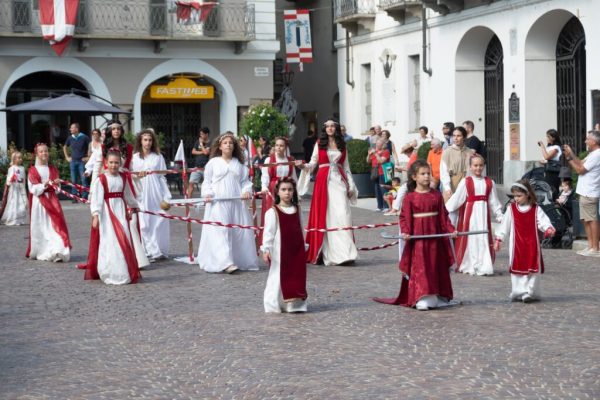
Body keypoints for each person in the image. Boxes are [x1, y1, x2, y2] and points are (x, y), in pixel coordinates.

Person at [374, 160, 457, 310]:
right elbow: (404, 218)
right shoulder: (410, 198)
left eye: (428, 174)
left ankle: (437, 295)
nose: (427, 177)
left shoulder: (436, 195)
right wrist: (406, 232)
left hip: (435, 238)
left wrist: (451, 230)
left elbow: (444, 216)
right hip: (418, 239)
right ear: (414, 177)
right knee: (421, 266)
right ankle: (422, 295)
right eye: (423, 174)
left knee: (435, 265)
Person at [297, 118, 358, 265]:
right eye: (328, 126)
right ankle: (332, 253)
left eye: (333, 126)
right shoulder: (319, 143)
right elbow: (313, 163)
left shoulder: (342, 145)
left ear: (336, 128)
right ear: (325, 129)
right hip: (323, 182)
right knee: (327, 215)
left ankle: (346, 252)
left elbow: (346, 166)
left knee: (343, 213)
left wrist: (351, 185)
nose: (330, 128)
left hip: (340, 180)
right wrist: (303, 167)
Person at [197, 133, 258, 273]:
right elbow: (207, 182)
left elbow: (245, 182)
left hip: (236, 203)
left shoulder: (240, 165)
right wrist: (207, 193)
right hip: (218, 202)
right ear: (220, 146)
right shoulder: (213, 163)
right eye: (225, 143)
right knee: (221, 230)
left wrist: (246, 191)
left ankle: (236, 259)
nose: (228, 145)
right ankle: (225, 262)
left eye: (231, 142)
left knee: (236, 231)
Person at [494, 181, 555, 302]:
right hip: (516, 244)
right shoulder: (511, 209)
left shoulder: (535, 209)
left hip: (532, 244)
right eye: (514, 196)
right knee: (518, 267)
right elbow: (504, 225)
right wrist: (499, 239)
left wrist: (548, 228)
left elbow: (543, 221)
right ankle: (519, 291)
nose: (516, 199)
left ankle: (530, 292)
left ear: (527, 194)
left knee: (532, 267)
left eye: (519, 196)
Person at [89, 148, 141, 285]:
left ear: (120, 163)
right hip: (107, 214)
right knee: (110, 240)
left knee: (124, 237)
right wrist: (95, 215)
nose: (114, 165)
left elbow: (128, 194)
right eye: (111, 162)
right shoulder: (101, 179)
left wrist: (135, 205)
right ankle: (110, 270)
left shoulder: (123, 178)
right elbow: (97, 199)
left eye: (116, 163)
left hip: (121, 211)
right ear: (106, 162)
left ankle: (124, 270)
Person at [445, 154, 503, 276]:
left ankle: (484, 265)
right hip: (470, 215)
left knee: (483, 237)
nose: (478, 168)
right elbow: (457, 198)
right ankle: (470, 263)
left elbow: (494, 201)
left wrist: (499, 215)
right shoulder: (466, 182)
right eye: (475, 165)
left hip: (483, 214)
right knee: (471, 237)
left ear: (484, 166)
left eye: (481, 165)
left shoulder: (489, 182)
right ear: (470, 167)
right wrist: (445, 210)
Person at [261, 177, 308, 313]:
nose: (287, 193)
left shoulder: (297, 210)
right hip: (280, 250)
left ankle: (295, 305)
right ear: (278, 192)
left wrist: (303, 245)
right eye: (283, 190)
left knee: (296, 275)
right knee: (278, 275)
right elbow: (268, 233)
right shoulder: (273, 212)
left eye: (290, 190)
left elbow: (301, 228)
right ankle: (273, 304)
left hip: (296, 248)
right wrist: (266, 249)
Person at [131, 129, 172, 261]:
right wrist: (137, 175)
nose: (147, 142)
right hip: (142, 192)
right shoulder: (135, 158)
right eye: (145, 140)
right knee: (144, 223)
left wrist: (166, 195)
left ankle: (158, 250)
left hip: (156, 193)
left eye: (150, 140)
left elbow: (162, 177)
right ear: (140, 141)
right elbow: (131, 175)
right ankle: (147, 250)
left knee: (159, 220)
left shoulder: (158, 157)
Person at [26, 143, 71, 262]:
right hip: (40, 203)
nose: (44, 153)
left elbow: (57, 190)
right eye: (41, 151)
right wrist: (44, 185)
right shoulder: (32, 170)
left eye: (46, 151)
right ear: (37, 154)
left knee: (55, 227)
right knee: (43, 229)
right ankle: (43, 250)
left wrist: (56, 184)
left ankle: (57, 251)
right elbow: (33, 189)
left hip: (52, 201)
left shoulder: (53, 169)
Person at [563, 130, 600, 257]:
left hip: (590, 191)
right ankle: (590, 246)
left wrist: (569, 158)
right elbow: (580, 163)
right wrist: (571, 154)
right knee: (586, 219)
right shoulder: (592, 154)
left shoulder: (597, 155)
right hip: (584, 191)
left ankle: (595, 248)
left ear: (594, 142)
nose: (585, 141)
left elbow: (579, 170)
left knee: (592, 219)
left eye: (587, 139)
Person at [260, 137, 296, 243]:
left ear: (285, 147)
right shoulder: (269, 159)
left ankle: (285, 239)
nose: (278, 148)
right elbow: (265, 176)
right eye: (276, 145)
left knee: (286, 214)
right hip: (273, 190)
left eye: (281, 145)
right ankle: (271, 241)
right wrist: (264, 186)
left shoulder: (290, 160)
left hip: (287, 190)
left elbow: (293, 177)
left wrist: (296, 192)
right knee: (273, 215)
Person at [440, 126, 475, 202]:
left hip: (466, 184)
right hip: (452, 184)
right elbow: (444, 172)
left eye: (458, 136)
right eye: (454, 136)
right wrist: (447, 188)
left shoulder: (470, 152)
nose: (455, 138)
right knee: (452, 211)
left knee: (465, 211)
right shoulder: (447, 152)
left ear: (464, 137)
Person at [63, 122, 90, 201]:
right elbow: (64, 147)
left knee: (83, 179)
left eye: (72, 128)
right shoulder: (70, 138)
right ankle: (74, 196)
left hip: (82, 161)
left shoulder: (84, 137)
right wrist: (67, 157)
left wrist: (88, 157)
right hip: (73, 161)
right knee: (73, 180)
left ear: (76, 129)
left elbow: (90, 146)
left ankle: (85, 196)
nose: (70, 129)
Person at [1, 151, 28, 226]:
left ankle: (19, 219)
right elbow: (8, 180)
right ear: (14, 159)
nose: (20, 159)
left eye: (21, 158)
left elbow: (23, 179)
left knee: (21, 204)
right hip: (13, 189)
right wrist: (11, 179)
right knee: (14, 204)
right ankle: (13, 219)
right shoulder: (11, 168)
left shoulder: (22, 168)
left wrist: (23, 187)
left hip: (20, 188)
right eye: (19, 158)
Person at [368, 138, 391, 212]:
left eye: (379, 144)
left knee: (384, 189)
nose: (377, 145)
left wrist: (375, 153)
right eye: (376, 144)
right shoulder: (376, 151)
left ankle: (387, 206)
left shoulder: (386, 151)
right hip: (376, 173)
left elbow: (381, 161)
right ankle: (379, 206)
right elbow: (368, 161)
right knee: (377, 190)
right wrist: (369, 155)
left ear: (382, 144)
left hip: (384, 172)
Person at [538, 129, 562, 198]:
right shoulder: (549, 147)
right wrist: (544, 162)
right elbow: (547, 159)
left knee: (553, 189)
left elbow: (547, 157)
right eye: (546, 136)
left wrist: (542, 146)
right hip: (548, 170)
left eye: (548, 137)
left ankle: (555, 205)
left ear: (553, 138)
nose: (547, 138)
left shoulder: (556, 148)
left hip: (554, 172)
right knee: (547, 188)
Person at [188, 127, 211, 198]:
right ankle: (188, 201)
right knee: (191, 183)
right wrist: (202, 152)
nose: (201, 136)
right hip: (197, 167)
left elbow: (206, 153)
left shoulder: (210, 143)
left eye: (202, 134)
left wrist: (201, 144)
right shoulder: (197, 141)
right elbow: (193, 151)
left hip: (206, 168)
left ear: (207, 134)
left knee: (209, 184)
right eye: (200, 134)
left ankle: (208, 199)